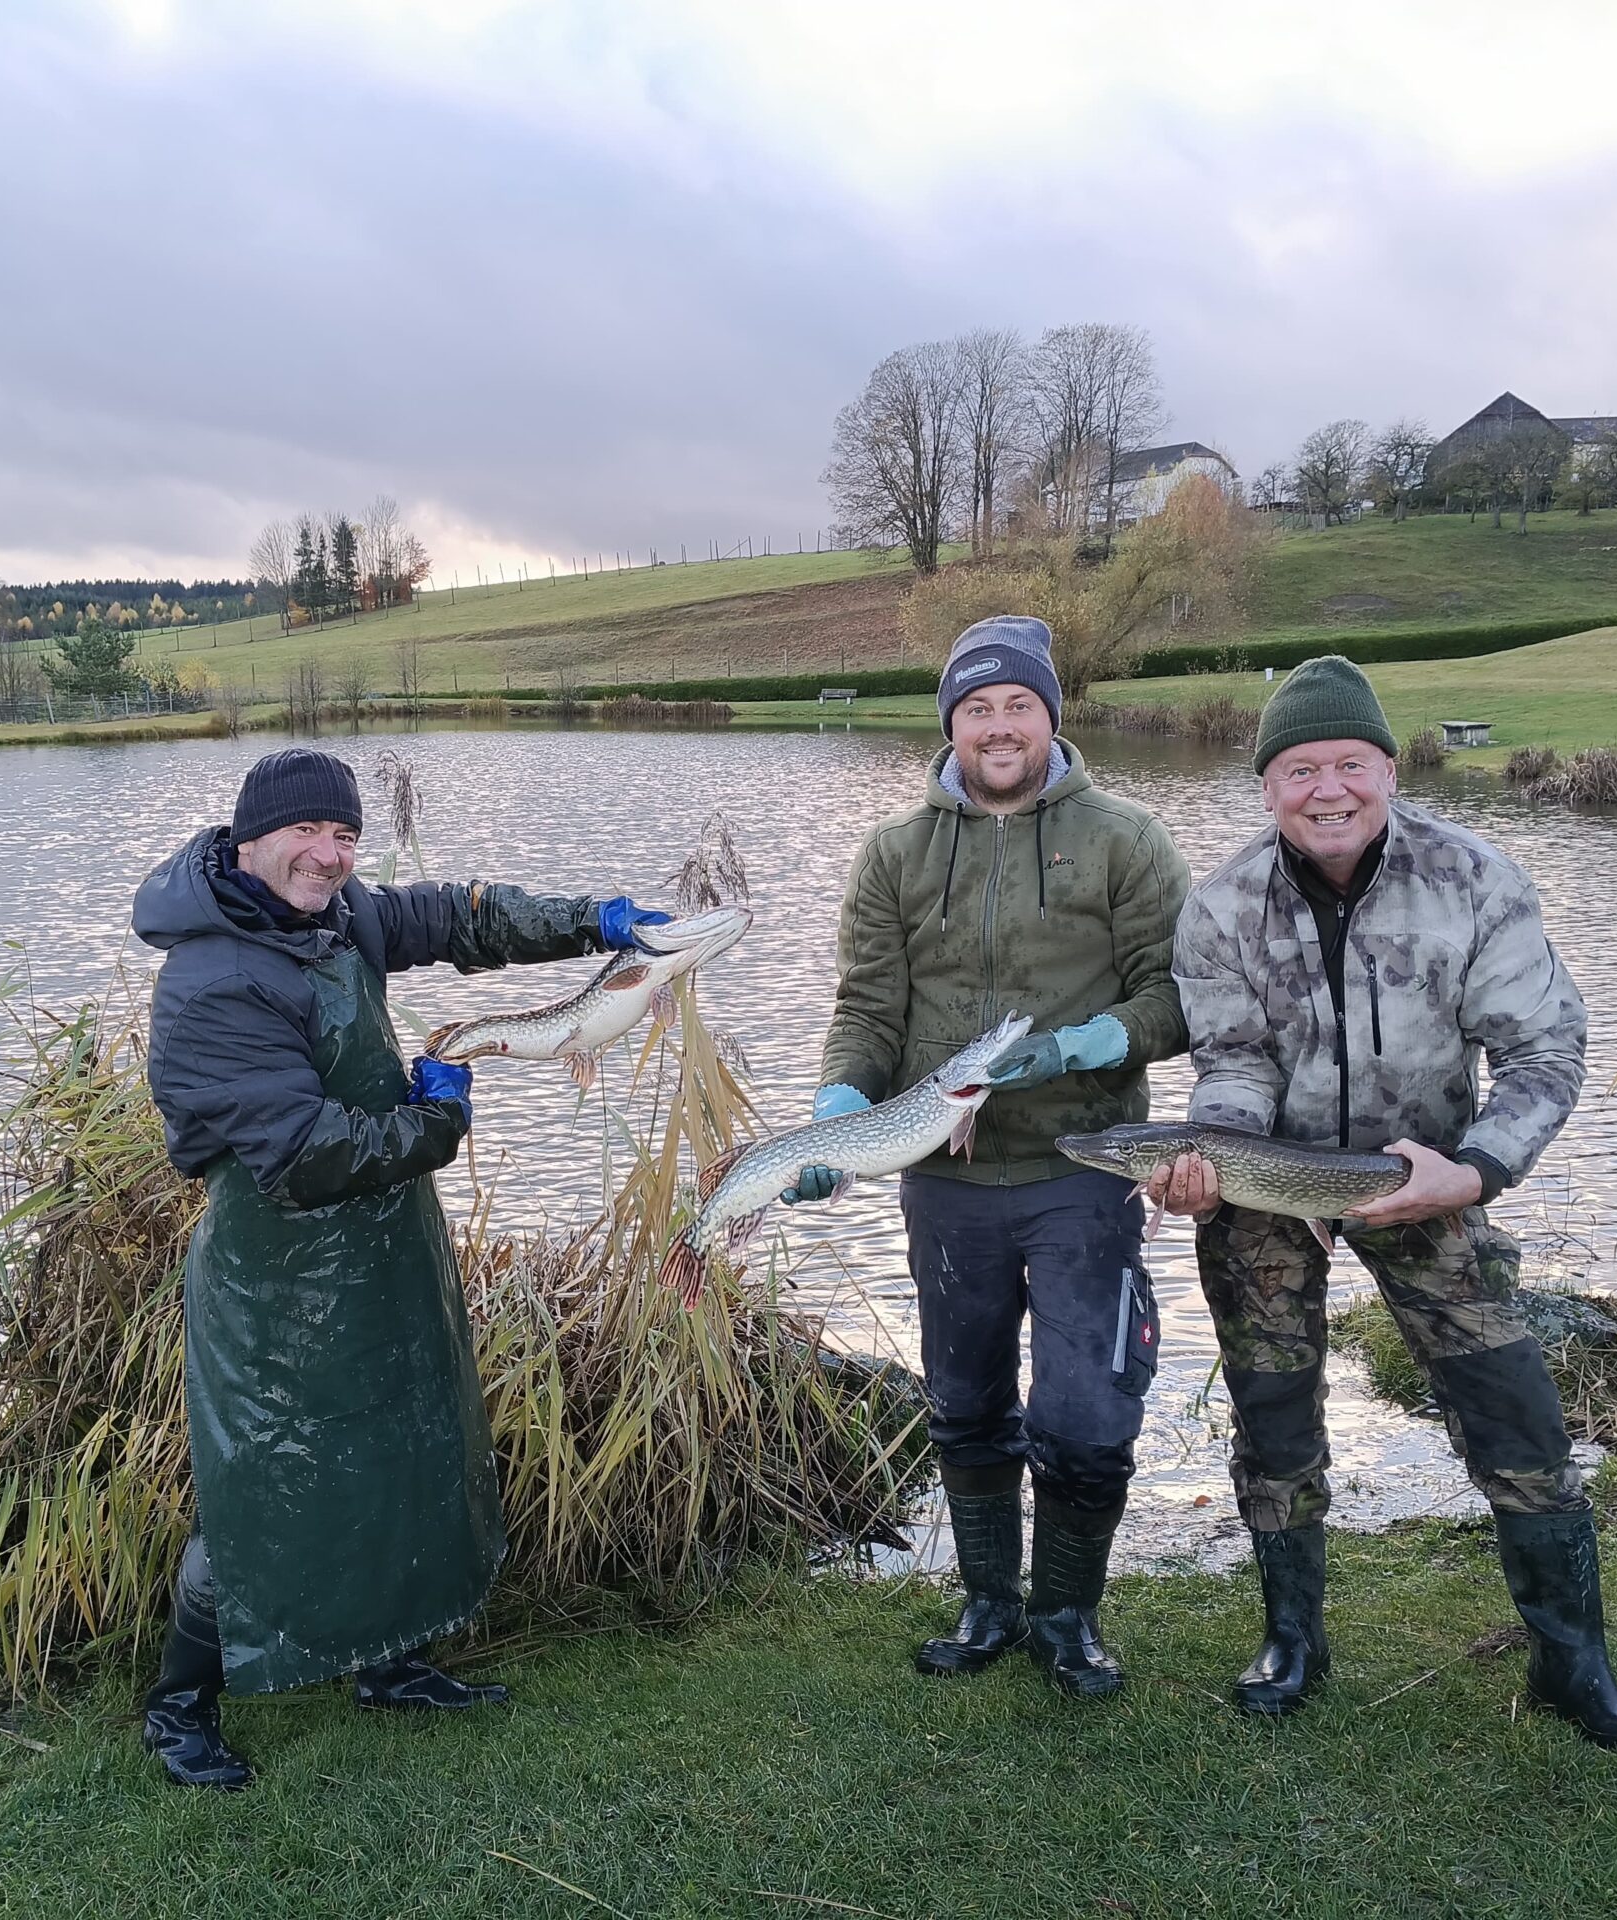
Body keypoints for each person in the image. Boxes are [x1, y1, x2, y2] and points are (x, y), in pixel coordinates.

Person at [1154, 655, 1617, 1753]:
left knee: (1514, 1411)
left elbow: (1545, 1052)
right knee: (1272, 1413)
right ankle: (1293, 1641)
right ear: (1268, 785)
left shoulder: (1474, 879)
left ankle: (1572, 1665)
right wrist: (1212, 1155)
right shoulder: (1220, 905)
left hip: (1427, 1178)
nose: (1327, 788)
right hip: (1266, 1191)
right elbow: (1232, 1059)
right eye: (1301, 768)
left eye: (1350, 763)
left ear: (1389, 771)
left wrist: (1475, 1170)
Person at [130, 746, 670, 1788]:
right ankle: (180, 1707)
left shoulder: (337, 916)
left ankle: (389, 1665)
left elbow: (458, 917)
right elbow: (304, 1156)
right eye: (306, 832)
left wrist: (593, 922)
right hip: (278, 1276)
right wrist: (437, 1120)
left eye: (344, 835)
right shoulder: (211, 981)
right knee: (267, 1486)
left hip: (385, 1248)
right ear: (250, 838)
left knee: (402, 1448)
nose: (328, 855)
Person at [804, 615, 1191, 1697]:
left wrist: (1090, 1042)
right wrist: (839, 1110)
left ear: (1051, 715)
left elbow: (1178, 996)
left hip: (1085, 1171)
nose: (999, 725)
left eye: (1019, 703)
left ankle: (1066, 1616)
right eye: (977, 707)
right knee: (965, 1400)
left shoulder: (1125, 839)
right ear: (951, 725)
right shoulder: (894, 852)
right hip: (946, 1182)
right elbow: (867, 1009)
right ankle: (988, 1604)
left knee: (1087, 1411)